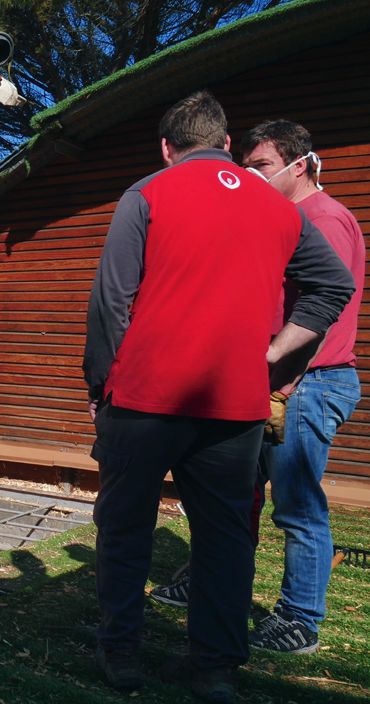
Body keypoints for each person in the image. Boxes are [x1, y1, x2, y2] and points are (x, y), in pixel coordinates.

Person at [83, 92, 353, 702]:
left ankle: (121, 653)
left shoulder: (146, 194)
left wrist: (101, 386)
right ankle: (215, 668)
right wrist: (277, 353)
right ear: (227, 144)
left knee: (125, 530)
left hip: (144, 400)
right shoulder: (278, 207)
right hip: (235, 408)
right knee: (225, 538)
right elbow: (332, 285)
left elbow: (111, 302)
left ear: (165, 148)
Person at [150, 121, 364, 655]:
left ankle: (300, 618)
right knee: (234, 493)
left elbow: (327, 314)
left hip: (307, 383)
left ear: (300, 163)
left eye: (262, 165)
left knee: (296, 505)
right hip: (272, 381)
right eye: (245, 164)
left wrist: (285, 382)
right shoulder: (284, 217)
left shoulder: (325, 219)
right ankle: (212, 580)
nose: (250, 175)